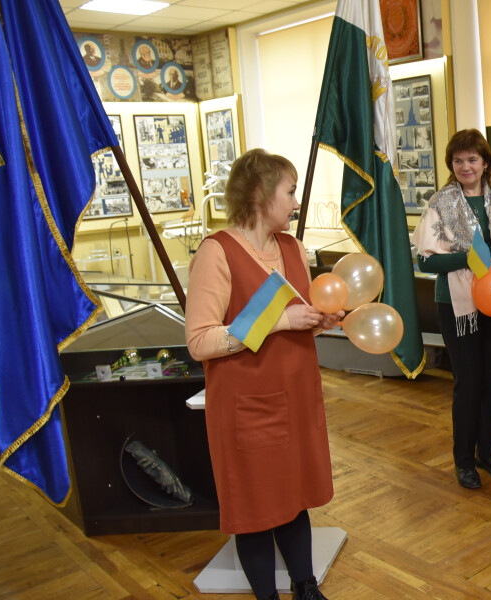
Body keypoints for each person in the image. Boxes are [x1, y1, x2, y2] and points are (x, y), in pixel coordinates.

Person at [185, 149, 337, 600]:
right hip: (247, 410)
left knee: (295, 498)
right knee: (256, 508)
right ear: (259, 193)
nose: (296, 201)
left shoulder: (293, 247)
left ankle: (305, 588)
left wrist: (321, 320)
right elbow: (199, 341)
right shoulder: (218, 252)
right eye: (289, 192)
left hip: (295, 400)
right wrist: (280, 322)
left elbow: (299, 318)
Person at [412, 129, 491, 490]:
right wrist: (467, 258)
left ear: (485, 162)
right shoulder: (440, 203)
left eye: (472, 159)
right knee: (468, 382)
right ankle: (464, 461)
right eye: (458, 161)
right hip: (457, 306)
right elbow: (426, 262)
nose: (465, 166)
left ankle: (487, 454)